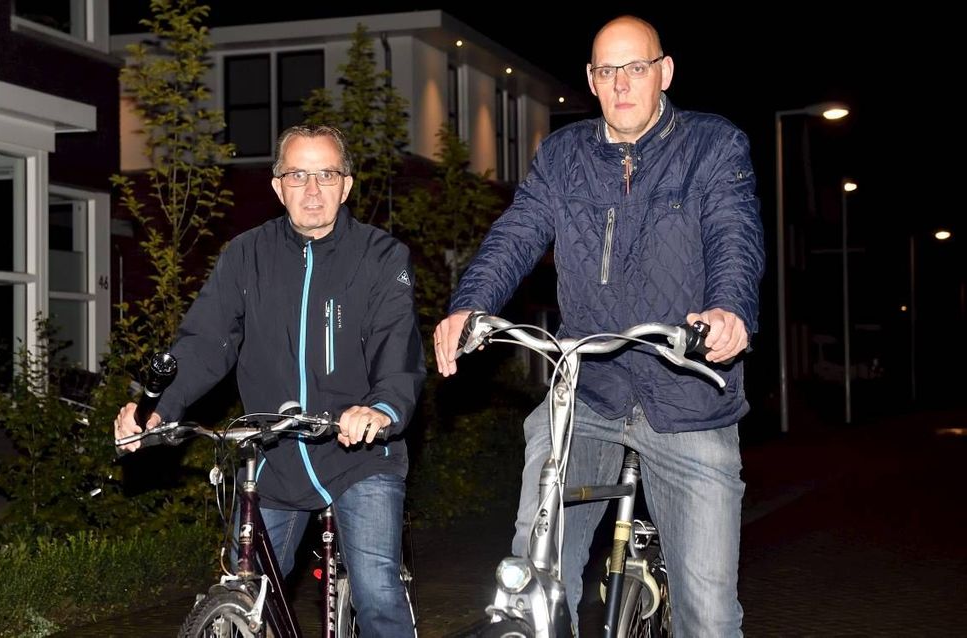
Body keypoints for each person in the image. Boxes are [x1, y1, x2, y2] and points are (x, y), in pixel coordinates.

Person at [434, 16, 763, 637]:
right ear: (590, 80)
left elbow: (733, 234)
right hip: (589, 393)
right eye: (607, 71)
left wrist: (731, 310)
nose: (621, 84)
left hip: (687, 394)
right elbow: (518, 231)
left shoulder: (712, 145)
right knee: (532, 582)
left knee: (710, 618)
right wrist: (468, 305)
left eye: (635, 68)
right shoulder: (563, 156)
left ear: (663, 72)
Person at [114, 124, 425, 637]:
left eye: (325, 174)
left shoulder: (379, 256)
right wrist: (156, 410)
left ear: (346, 185)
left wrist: (382, 408)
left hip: (359, 455)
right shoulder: (245, 256)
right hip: (274, 457)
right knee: (248, 591)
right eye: (297, 174)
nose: (312, 189)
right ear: (277, 185)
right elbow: (205, 342)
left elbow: (398, 344)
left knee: (377, 591)